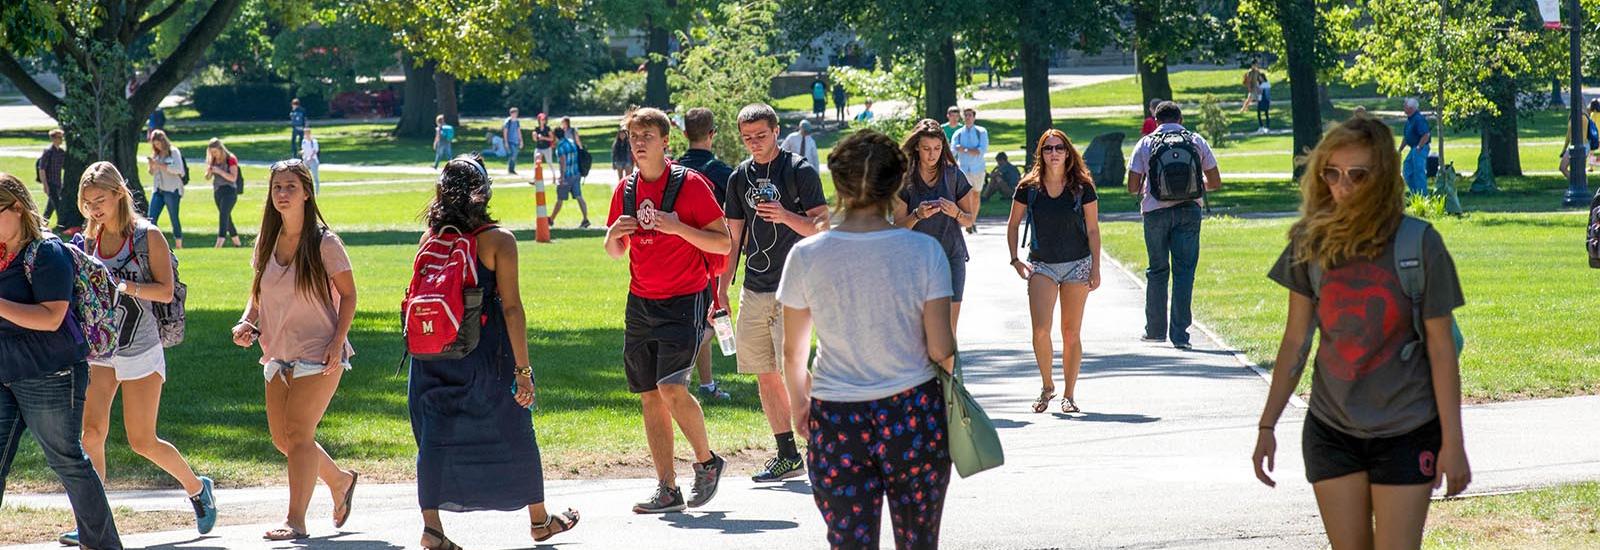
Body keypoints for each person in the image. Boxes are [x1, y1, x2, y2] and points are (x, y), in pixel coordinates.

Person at [1252, 115, 1471, 549]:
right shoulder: (1309, 243)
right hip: (1331, 429)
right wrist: (1266, 425)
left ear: (1383, 178)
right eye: (1331, 174)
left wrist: (1454, 442)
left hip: (1408, 428)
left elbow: (1443, 352)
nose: (1342, 187)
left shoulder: (1420, 245)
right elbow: (1296, 341)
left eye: (1357, 175)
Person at [778, 128, 955, 549]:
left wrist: (800, 406)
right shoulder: (923, 252)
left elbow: (793, 352)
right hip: (912, 411)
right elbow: (941, 349)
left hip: (837, 416)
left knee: (849, 541)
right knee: (918, 540)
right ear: (897, 184)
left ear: (837, 184)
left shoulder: (806, 256)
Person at [410, 155, 580, 549]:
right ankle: (539, 521)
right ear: (483, 193)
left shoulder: (429, 239)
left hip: (431, 353)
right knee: (516, 428)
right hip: (484, 355)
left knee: (434, 437)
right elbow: (512, 308)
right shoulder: (499, 241)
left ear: (440, 192)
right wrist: (523, 369)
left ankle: (432, 529)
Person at [75, 162, 218, 543]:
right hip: (102, 348)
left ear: (120, 194)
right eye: (87, 203)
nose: (94, 210)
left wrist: (123, 285)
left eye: (100, 201)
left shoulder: (147, 236)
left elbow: (166, 291)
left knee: (142, 440)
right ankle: (94, 522)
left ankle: (197, 488)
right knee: (91, 433)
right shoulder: (88, 240)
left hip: (140, 347)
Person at [604, 107, 731, 514]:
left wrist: (678, 228)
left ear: (665, 142)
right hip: (640, 301)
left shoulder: (690, 185)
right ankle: (667, 488)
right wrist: (612, 235)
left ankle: (707, 463)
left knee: (671, 387)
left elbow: (724, 244)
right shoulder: (625, 189)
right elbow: (613, 251)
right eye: (633, 136)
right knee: (648, 396)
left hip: (685, 299)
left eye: (646, 136)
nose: (638, 143)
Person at [230, 158, 359, 541]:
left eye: (290, 187)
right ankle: (339, 481)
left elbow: (350, 295)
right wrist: (247, 322)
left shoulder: (325, 242)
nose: (282, 194)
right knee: (283, 439)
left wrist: (338, 342)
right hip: (278, 352)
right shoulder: (266, 241)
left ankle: (296, 520)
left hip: (320, 352)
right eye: (276, 188)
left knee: (299, 433)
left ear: (306, 192)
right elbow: (258, 294)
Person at [0, 173, 124, 550]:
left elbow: (51, 316)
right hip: (4, 372)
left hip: (50, 374)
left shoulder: (47, 253)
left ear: (17, 208)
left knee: (68, 460)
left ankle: (102, 544)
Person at [723, 103, 829, 482]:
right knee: (765, 373)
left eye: (761, 136)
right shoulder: (739, 177)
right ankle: (787, 454)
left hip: (794, 288)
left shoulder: (798, 170)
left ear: (776, 131)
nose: (754, 144)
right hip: (754, 288)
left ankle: (827, 442)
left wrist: (785, 215)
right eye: (747, 138)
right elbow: (733, 239)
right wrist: (722, 288)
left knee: (795, 372)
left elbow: (821, 226)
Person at [1005, 130, 1102, 415]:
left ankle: (1069, 395)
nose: (1054, 153)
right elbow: (1012, 225)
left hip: (1077, 264)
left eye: (1059, 148)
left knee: (1071, 333)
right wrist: (1015, 260)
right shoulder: (1028, 187)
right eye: (1048, 149)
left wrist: (1095, 266)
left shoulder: (1082, 186)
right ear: (1041, 153)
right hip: (1042, 264)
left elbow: (1093, 229)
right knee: (1040, 331)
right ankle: (1048, 386)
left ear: (1068, 152)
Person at [1126, 101, 1223, 351]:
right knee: (1184, 272)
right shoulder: (1195, 140)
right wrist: (1195, 184)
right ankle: (1180, 335)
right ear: (1180, 119)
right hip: (1189, 211)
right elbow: (1215, 181)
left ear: (1156, 121)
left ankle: (1155, 331)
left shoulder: (1146, 143)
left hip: (1155, 213)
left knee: (1157, 270)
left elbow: (1131, 186)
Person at [893, 119, 977, 336]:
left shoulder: (953, 175)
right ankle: (928, 370)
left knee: (948, 331)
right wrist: (917, 215)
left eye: (937, 148)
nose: (932, 154)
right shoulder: (905, 180)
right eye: (926, 149)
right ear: (916, 148)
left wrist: (956, 213)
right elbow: (898, 228)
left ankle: (947, 371)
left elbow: (969, 220)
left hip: (951, 256)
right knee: (921, 330)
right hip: (917, 261)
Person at [675, 107, 736, 401]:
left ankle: (704, 384)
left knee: (698, 320)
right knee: (707, 323)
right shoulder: (725, 175)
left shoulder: (672, 173)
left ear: (685, 134)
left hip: (675, 257)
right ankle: (690, 382)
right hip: (711, 260)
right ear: (712, 134)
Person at [145, 129, 185, 249]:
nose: (157, 146)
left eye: (158, 143)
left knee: (174, 217)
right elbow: (152, 172)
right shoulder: (156, 154)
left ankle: (179, 245)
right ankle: (154, 244)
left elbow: (179, 170)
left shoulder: (173, 152)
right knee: (151, 218)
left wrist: (161, 165)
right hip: (158, 190)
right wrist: (152, 165)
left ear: (163, 141)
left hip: (172, 190)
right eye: (154, 144)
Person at [205, 139, 243, 248]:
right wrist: (210, 171)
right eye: (211, 152)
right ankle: (237, 243)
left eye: (215, 152)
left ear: (221, 150)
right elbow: (207, 177)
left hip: (229, 191)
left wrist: (219, 171)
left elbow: (233, 178)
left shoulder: (230, 159)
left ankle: (219, 243)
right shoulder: (213, 160)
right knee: (227, 218)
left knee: (223, 215)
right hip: (218, 191)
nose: (213, 154)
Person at [550, 128, 591, 229]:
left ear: (555, 136)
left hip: (567, 176)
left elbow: (563, 162)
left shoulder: (560, 147)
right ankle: (585, 219)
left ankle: (551, 220)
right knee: (579, 196)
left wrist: (562, 177)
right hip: (576, 174)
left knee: (560, 198)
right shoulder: (571, 142)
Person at [952, 107, 990, 201]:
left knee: (976, 195)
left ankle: (974, 216)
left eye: (970, 115)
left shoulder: (981, 132)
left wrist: (964, 149)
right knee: (964, 196)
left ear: (974, 117)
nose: (968, 117)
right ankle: (967, 215)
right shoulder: (958, 133)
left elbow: (981, 151)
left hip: (978, 169)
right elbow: (953, 151)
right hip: (963, 169)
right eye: (965, 115)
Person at [1399, 98, 1431, 196]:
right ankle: (1416, 194)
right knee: (1407, 171)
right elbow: (1406, 136)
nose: (1403, 107)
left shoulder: (1418, 119)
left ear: (1411, 108)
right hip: (1413, 148)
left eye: (1405, 105)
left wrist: (1419, 147)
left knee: (1418, 172)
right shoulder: (1410, 120)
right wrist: (1400, 149)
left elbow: (1426, 134)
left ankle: (1423, 196)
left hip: (1420, 148)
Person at [36, 129, 66, 224]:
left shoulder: (61, 152)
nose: (61, 139)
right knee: (58, 205)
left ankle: (43, 223)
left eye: (62, 137)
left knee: (51, 206)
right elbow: (42, 169)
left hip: (57, 182)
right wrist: (45, 185)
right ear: (53, 139)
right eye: (59, 137)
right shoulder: (48, 152)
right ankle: (62, 225)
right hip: (50, 182)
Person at [533, 114, 556, 181]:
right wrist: (534, 136)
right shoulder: (536, 129)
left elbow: (552, 139)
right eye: (542, 119)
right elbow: (535, 140)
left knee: (549, 162)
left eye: (544, 119)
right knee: (536, 162)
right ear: (539, 120)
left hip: (547, 148)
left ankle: (554, 176)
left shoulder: (547, 129)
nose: (543, 121)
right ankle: (535, 178)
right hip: (539, 148)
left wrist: (543, 138)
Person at [300, 126, 322, 194]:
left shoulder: (314, 141)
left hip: (313, 160)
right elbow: (304, 149)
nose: (306, 134)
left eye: (307, 133)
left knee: (315, 176)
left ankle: (316, 192)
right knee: (304, 175)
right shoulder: (304, 141)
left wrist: (310, 157)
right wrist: (302, 152)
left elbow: (315, 150)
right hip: (306, 160)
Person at [503, 108, 524, 174]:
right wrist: (506, 142)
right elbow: (505, 132)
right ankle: (510, 169)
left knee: (515, 155)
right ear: (511, 113)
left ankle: (512, 169)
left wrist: (521, 141)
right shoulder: (508, 121)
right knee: (513, 154)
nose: (515, 114)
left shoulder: (517, 121)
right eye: (514, 113)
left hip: (516, 141)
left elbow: (519, 131)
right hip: (510, 141)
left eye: (516, 113)